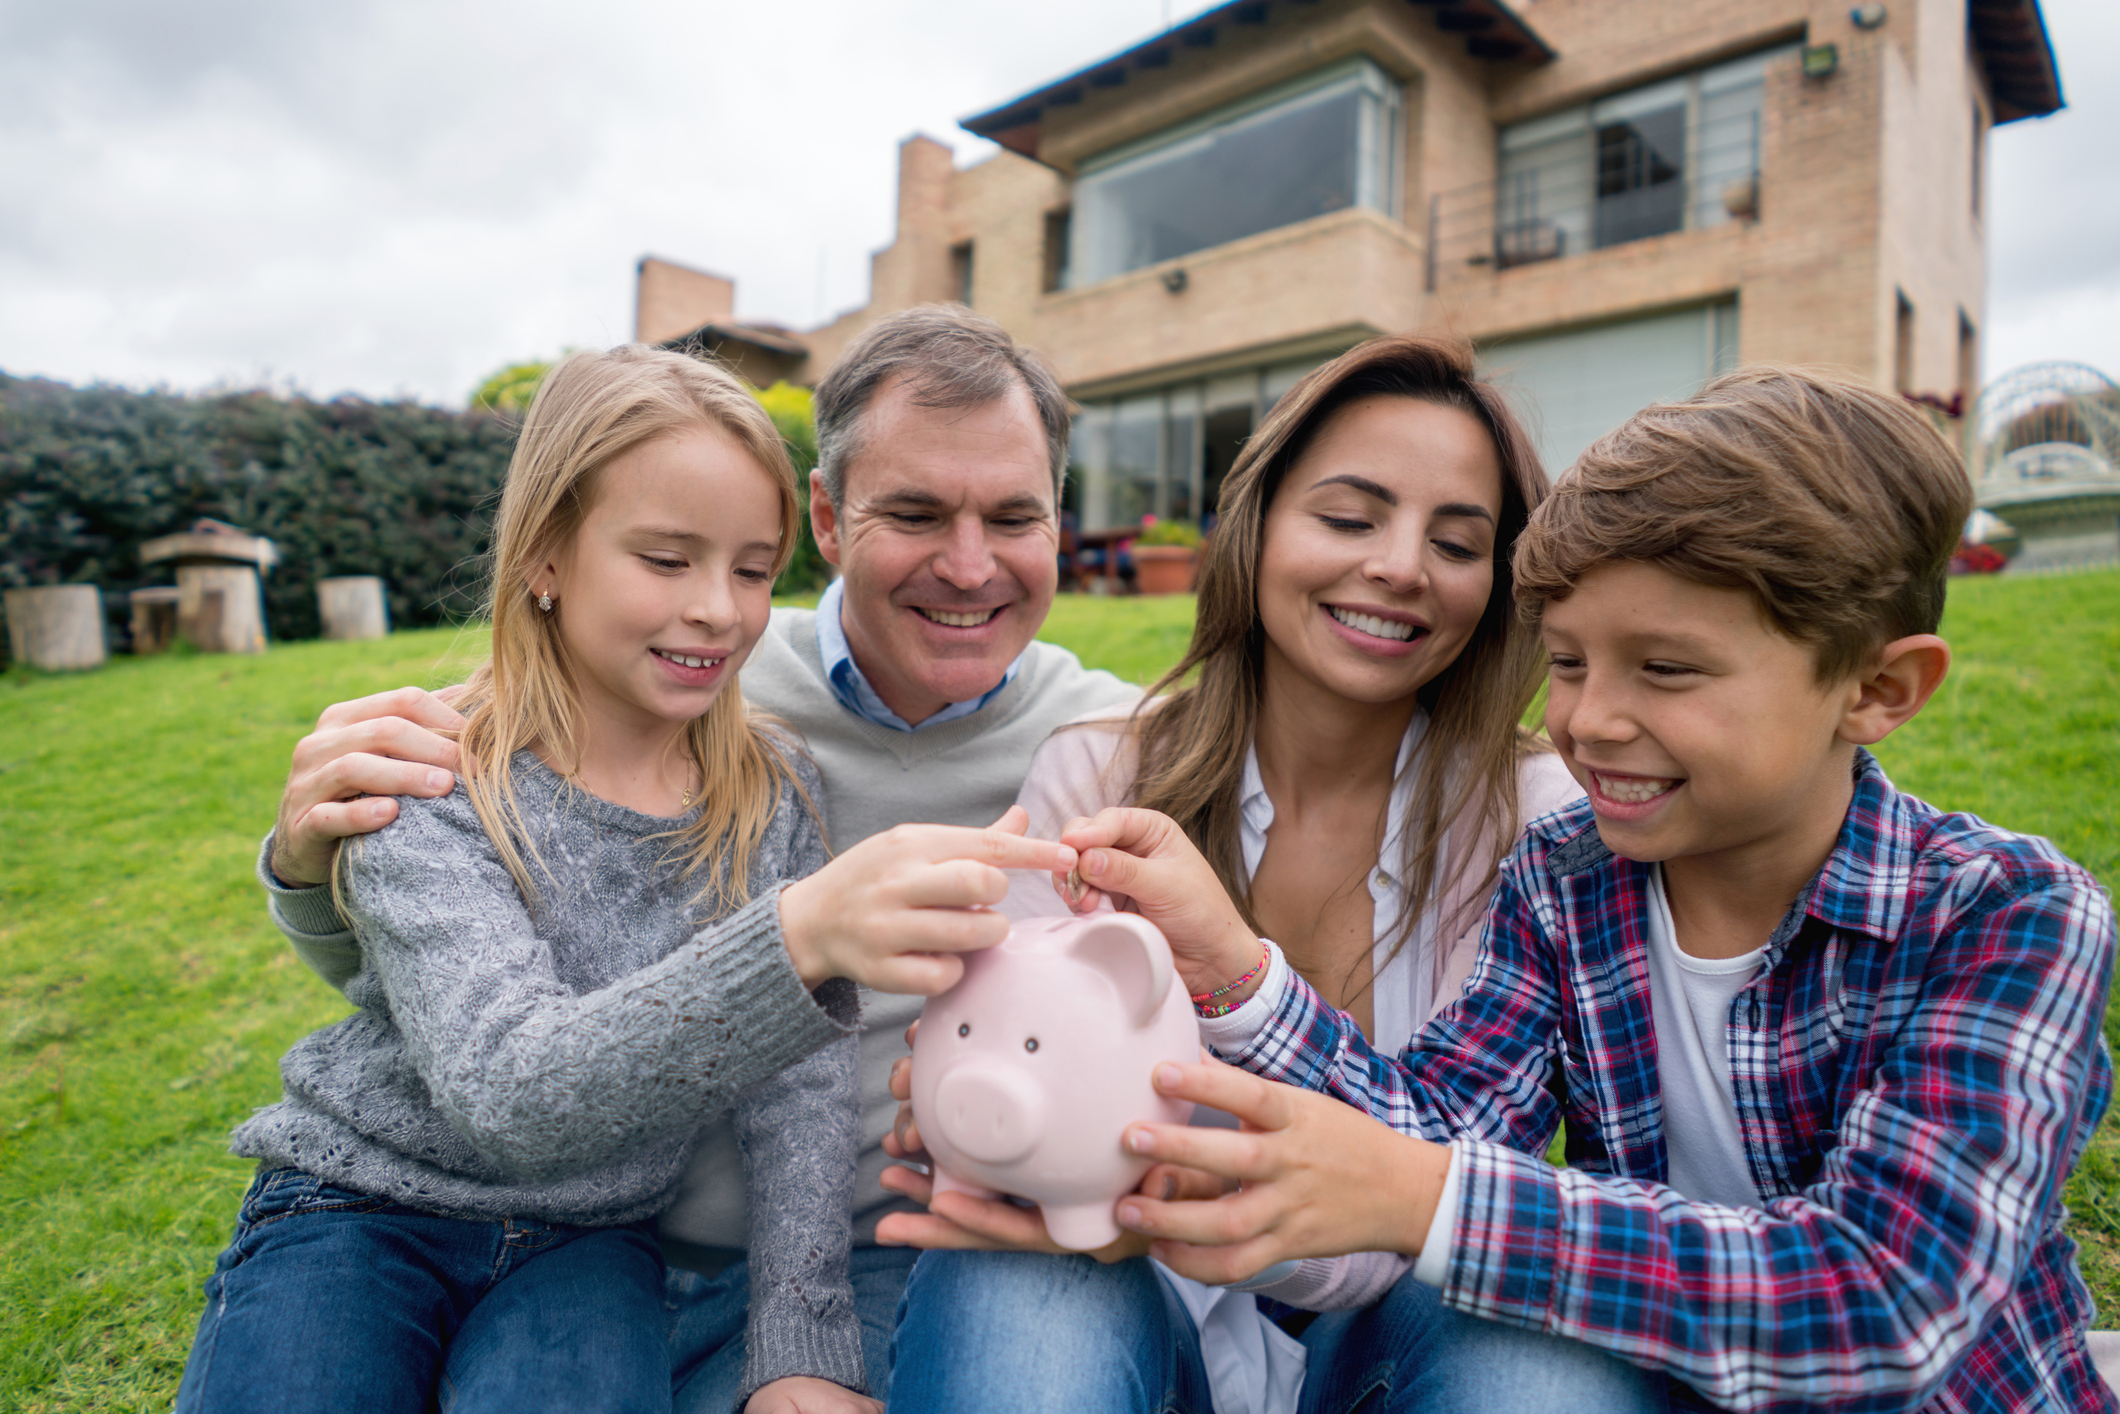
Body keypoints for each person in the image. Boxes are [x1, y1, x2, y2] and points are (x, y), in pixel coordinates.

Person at [1049, 368, 2119, 1412]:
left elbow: (1879, 1299)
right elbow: (1442, 1123)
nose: (1589, 722)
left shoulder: (2008, 915)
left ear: (1877, 687)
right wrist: (1237, 977)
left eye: (1665, 669)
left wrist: (1425, 1195)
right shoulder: (1569, 879)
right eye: (1566, 664)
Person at [250, 306, 1141, 1408]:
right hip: (538, 1225)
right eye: (913, 512)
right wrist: (308, 871)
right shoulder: (671, 678)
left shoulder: (1114, 747)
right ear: (829, 517)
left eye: (1013, 516)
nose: (968, 566)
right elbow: (450, 993)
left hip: (805, 1259)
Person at [876, 336, 1659, 1414]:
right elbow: (1009, 1099)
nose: (1401, 566)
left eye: (1456, 542)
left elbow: (1465, 1195)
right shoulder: (1101, 776)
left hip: (1398, 1345)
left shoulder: (1544, 820)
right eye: (1348, 518)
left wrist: (1175, 1187)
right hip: (1142, 1320)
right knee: (1018, 1281)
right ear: (1256, 529)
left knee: (1534, 1359)